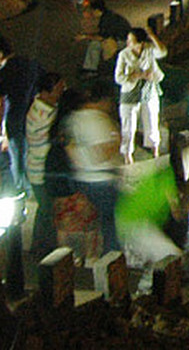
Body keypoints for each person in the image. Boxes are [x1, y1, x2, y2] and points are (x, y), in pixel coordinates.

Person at [62, 78, 122, 253]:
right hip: (101, 181)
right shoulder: (99, 121)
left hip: (80, 179)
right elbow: (101, 155)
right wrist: (117, 142)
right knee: (110, 226)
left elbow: (70, 149)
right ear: (105, 100)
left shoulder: (73, 118)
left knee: (94, 226)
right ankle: (111, 263)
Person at [0, 36, 40, 192]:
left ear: (0, 54)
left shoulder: (2, 73)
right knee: (33, 154)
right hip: (34, 115)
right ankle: (35, 188)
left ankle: (23, 190)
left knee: (17, 158)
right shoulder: (30, 64)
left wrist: (0, 126)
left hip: (15, 117)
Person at [24, 71, 67, 257]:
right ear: (47, 91)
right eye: (59, 89)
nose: (62, 92)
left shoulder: (42, 106)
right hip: (39, 168)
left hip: (38, 168)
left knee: (45, 208)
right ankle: (42, 248)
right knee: (47, 208)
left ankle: (40, 246)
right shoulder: (42, 114)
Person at [114, 27, 167, 161]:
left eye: (131, 41)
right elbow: (118, 77)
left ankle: (155, 149)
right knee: (128, 124)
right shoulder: (124, 55)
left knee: (151, 120)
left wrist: (152, 36)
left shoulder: (149, 50)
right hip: (130, 91)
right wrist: (135, 75)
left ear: (141, 43)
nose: (128, 43)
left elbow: (162, 52)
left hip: (148, 89)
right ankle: (127, 154)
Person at [76, 0, 130, 75]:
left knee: (95, 44)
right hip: (124, 38)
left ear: (97, 10)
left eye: (91, 11)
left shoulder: (106, 19)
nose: (91, 13)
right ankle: (90, 69)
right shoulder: (108, 15)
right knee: (95, 43)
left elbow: (102, 37)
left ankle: (92, 70)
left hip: (122, 41)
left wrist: (85, 36)